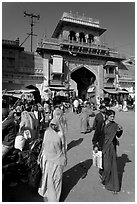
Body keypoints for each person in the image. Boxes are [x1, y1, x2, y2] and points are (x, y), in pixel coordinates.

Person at [38, 118, 67, 202]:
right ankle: (47, 193)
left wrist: (65, 158)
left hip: (58, 159)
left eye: (55, 124)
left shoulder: (60, 134)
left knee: (57, 179)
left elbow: (63, 147)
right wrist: (40, 156)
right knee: (48, 178)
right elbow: (43, 145)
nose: (53, 126)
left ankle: (55, 199)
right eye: (52, 124)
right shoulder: (47, 132)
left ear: (58, 124)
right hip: (47, 158)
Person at [101, 109, 123, 194]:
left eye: (113, 116)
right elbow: (98, 135)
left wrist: (120, 130)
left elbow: (118, 135)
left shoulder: (115, 125)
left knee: (112, 166)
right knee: (105, 166)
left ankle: (113, 186)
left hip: (112, 147)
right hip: (103, 147)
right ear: (107, 116)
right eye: (111, 116)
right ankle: (104, 178)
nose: (112, 118)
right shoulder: (102, 124)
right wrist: (95, 144)